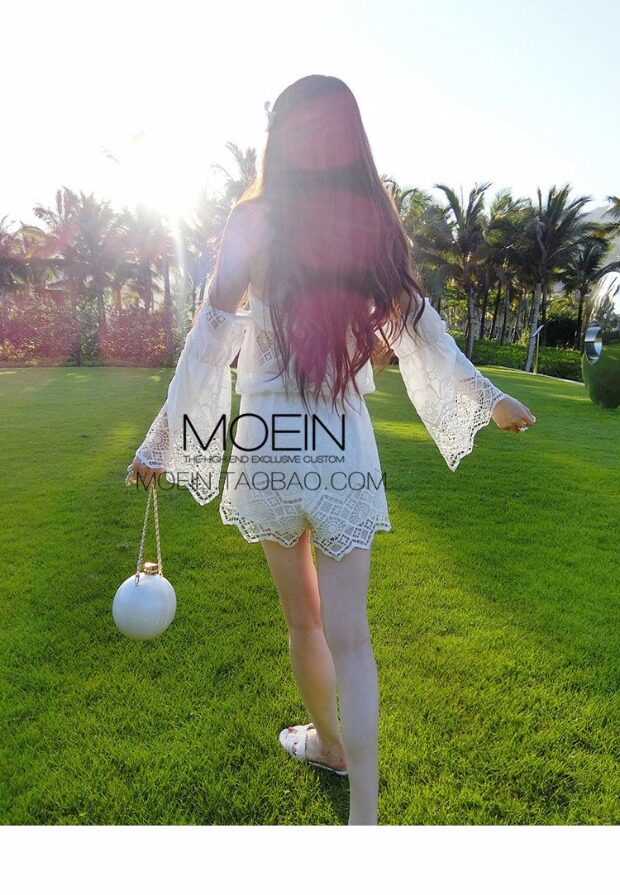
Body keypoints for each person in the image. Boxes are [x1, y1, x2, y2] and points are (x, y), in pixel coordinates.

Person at [126, 75, 537, 826]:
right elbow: (421, 323)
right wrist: (489, 398)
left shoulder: (253, 220)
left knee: (303, 622)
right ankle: (363, 817)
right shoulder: (368, 222)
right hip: (342, 445)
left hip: (269, 447)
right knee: (352, 638)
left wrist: (160, 439)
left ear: (277, 138)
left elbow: (209, 339)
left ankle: (327, 743)